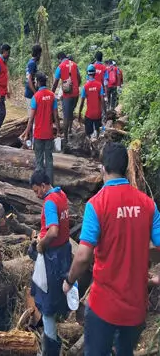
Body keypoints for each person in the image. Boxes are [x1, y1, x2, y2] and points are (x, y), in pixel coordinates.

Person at [63, 142, 160, 356]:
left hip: (103, 306)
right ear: (126, 169)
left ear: (102, 169)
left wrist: (69, 281)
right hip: (136, 307)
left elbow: (83, 256)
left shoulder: (97, 204)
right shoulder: (148, 204)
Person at [28, 169, 72, 356]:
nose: (37, 195)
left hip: (52, 255)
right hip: (64, 252)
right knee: (56, 295)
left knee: (46, 302)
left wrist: (41, 245)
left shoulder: (50, 202)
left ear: (44, 185)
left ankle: (51, 348)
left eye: (37, 190)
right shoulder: (61, 194)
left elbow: (53, 230)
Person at [21, 72, 59, 183]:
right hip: (49, 133)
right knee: (49, 160)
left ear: (37, 82)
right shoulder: (52, 96)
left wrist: (27, 132)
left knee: (39, 161)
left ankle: (40, 185)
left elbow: (31, 118)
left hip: (38, 134)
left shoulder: (36, 97)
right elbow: (56, 115)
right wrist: (58, 130)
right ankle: (50, 185)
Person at [51, 52, 80, 152]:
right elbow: (79, 79)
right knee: (71, 112)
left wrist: (51, 94)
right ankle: (71, 130)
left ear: (59, 59)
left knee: (66, 116)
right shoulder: (75, 65)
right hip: (76, 94)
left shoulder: (60, 66)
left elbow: (55, 83)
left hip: (67, 94)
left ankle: (66, 138)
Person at [78, 64, 106, 140]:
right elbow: (102, 100)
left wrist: (79, 114)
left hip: (89, 114)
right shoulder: (99, 85)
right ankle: (97, 141)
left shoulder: (85, 86)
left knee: (88, 134)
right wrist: (104, 112)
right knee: (99, 131)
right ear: (95, 73)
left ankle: (90, 144)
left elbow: (82, 102)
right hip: (98, 114)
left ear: (87, 73)